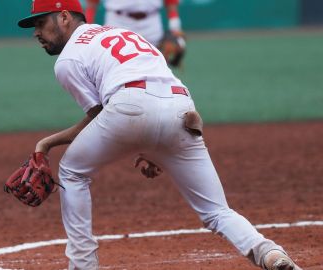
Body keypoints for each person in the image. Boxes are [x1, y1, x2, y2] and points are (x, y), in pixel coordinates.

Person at [17, 0, 302, 269]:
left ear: (64, 16)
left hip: (129, 106)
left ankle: (82, 265)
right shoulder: (125, 34)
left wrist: (46, 143)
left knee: (73, 172)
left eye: (41, 23)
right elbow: (149, 98)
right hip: (181, 108)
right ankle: (268, 252)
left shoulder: (67, 60)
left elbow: (100, 116)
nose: (37, 33)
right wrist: (154, 149)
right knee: (216, 211)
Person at [84, 0, 183, 46]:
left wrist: (175, 26)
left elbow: (171, 2)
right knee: (115, 64)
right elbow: (92, 4)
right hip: (118, 22)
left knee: (154, 66)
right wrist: (87, 28)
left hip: (151, 23)